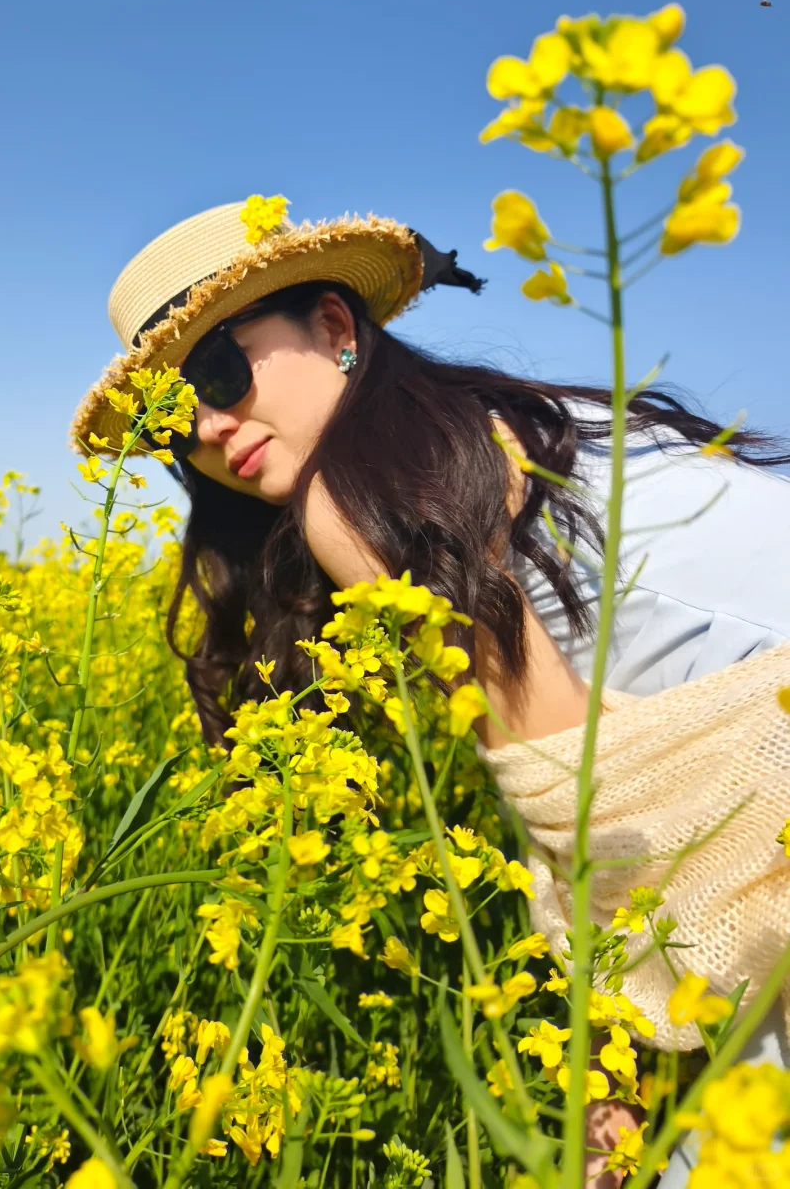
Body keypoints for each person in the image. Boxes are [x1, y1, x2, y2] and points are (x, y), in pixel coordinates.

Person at [73, 201, 790, 1186]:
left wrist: (618, 1068)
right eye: (166, 419)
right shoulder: (506, 429)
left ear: (334, 327)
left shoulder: (358, 501)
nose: (202, 425)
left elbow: (590, 804)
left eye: (215, 373)